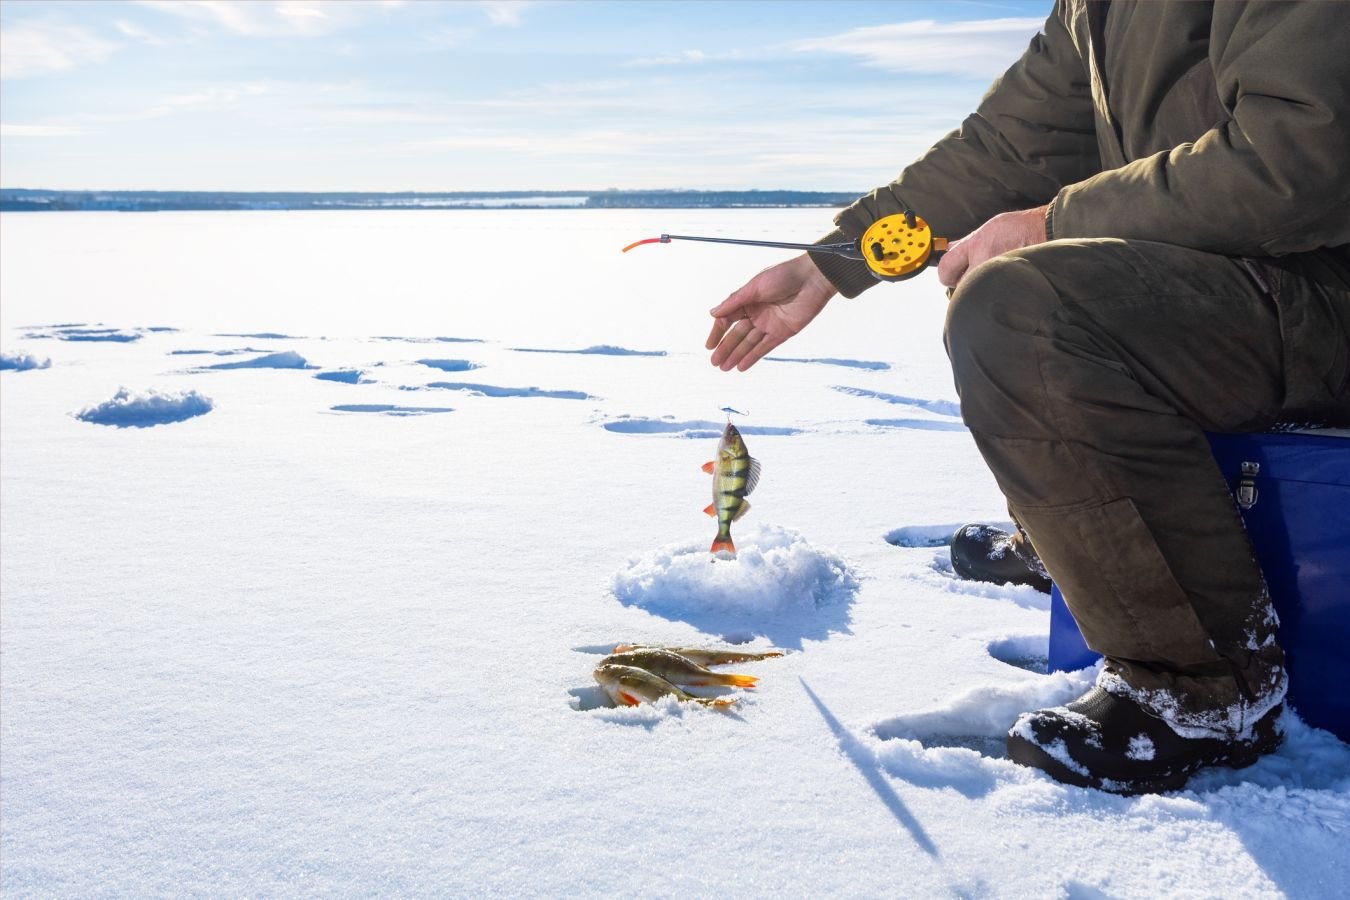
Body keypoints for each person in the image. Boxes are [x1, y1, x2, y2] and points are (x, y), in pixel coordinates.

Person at [704, 0, 1350, 794]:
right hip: (1244, 286)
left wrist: (1054, 221)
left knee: (1025, 307)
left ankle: (1199, 690)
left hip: (1325, 293)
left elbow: (1306, 155)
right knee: (1015, 286)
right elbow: (1011, 144)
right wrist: (831, 262)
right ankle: (1086, 539)